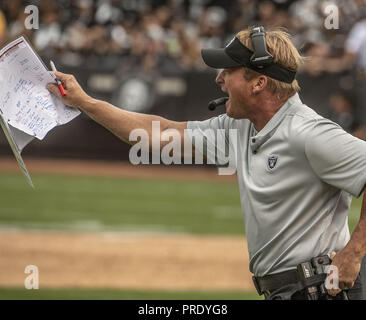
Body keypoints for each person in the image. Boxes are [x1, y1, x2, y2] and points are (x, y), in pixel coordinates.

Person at [46, 26, 366, 300]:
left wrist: (353, 253)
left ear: (259, 83)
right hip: (291, 290)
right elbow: (157, 134)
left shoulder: (308, 133)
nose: (218, 79)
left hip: (324, 290)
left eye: (228, 71)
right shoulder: (241, 127)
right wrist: (84, 101)